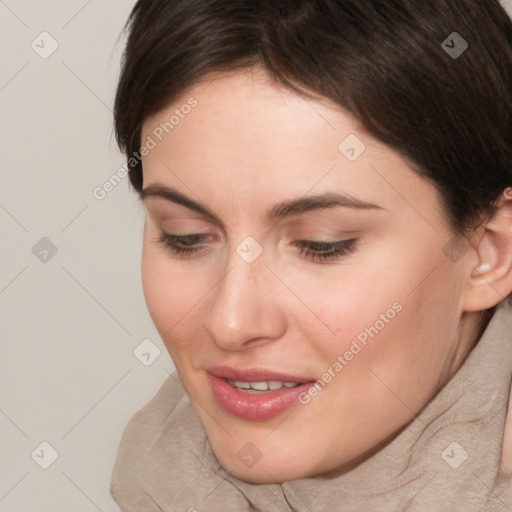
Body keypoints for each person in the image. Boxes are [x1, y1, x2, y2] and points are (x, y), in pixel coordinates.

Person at [109, 0, 512, 510]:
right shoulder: (153, 475)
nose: (229, 322)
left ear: (490, 251)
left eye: (322, 245)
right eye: (185, 235)